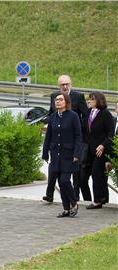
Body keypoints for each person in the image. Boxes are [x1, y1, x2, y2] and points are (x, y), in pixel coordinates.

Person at [43, 75, 88, 203]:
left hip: (72, 141)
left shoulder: (78, 97)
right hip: (57, 143)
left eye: (67, 84)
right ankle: (51, 195)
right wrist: (45, 152)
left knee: (70, 176)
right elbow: (51, 114)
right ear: (59, 86)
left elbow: (85, 115)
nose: (65, 86)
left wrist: (78, 127)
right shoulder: (54, 97)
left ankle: (74, 197)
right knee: (55, 174)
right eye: (62, 84)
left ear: (70, 84)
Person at [42, 93, 81, 217]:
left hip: (69, 155)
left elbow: (78, 136)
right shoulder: (53, 117)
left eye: (60, 99)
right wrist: (45, 153)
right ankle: (66, 208)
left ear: (66, 102)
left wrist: (76, 153)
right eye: (56, 100)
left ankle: (74, 202)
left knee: (65, 180)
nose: (57, 101)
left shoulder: (73, 116)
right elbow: (48, 136)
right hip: (55, 154)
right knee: (60, 182)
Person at [83, 92, 114, 209]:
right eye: (89, 99)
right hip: (90, 149)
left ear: (98, 101)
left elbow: (111, 133)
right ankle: (103, 198)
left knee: (97, 173)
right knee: (96, 174)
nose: (89, 101)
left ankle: (97, 200)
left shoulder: (105, 114)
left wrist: (103, 145)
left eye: (92, 99)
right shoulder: (89, 112)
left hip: (102, 150)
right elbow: (86, 131)